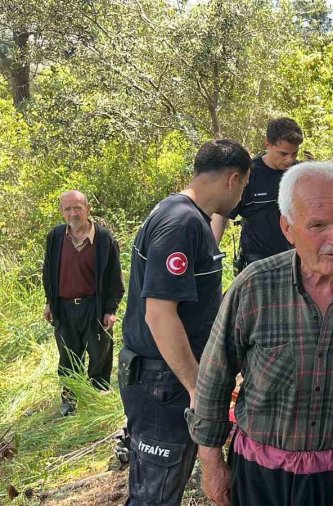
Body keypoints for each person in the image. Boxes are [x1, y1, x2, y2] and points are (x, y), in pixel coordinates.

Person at [187, 162, 333, 506]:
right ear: (287, 228)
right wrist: (211, 461)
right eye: (318, 225)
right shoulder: (254, 286)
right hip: (266, 477)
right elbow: (214, 376)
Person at [119, 139, 251, 505]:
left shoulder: (188, 217)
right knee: (155, 495)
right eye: (243, 187)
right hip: (163, 379)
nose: (241, 197)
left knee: (165, 486)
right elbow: (159, 314)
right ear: (233, 179)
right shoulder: (181, 223)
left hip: (166, 376)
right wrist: (197, 387)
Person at [42, 190, 124, 416]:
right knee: (68, 356)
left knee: (100, 355)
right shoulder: (56, 236)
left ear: (88, 209)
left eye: (77, 207)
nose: (72, 213)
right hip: (64, 308)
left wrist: (110, 310)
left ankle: (99, 398)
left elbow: (115, 277)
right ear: (62, 212)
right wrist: (49, 302)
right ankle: (70, 400)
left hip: (94, 307)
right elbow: (48, 272)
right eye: (67, 209)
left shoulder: (104, 238)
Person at [211, 117, 305, 273]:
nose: (290, 160)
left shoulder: (301, 173)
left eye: (294, 153)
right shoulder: (248, 174)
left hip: (296, 262)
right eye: (283, 153)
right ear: (268, 144)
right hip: (258, 265)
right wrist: (210, 252)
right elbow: (221, 216)